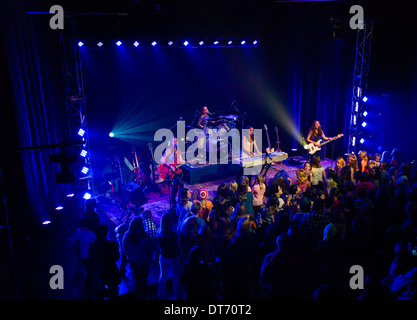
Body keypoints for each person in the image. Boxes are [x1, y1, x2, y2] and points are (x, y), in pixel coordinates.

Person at [123, 217, 156, 299]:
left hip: (132, 261)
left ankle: (138, 295)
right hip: (143, 262)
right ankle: (142, 296)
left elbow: (125, 249)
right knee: (143, 280)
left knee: (137, 278)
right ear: (141, 225)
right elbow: (151, 248)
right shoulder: (145, 236)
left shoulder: (126, 236)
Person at [88, 224, 121, 300]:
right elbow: (116, 258)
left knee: (99, 294)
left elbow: (90, 261)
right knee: (113, 293)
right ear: (106, 232)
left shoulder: (92, 245)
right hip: (111, 270)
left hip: (98, 271)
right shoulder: (112, 244)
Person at [69, 217, 96, 299]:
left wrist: (76, 247)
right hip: (89, 255)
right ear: (88, 225)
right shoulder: (90, 233)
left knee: (89, 270)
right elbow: (95, 242)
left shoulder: (78, 231)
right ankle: (88, 287)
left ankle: (88, 287)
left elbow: (71, 240)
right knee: (90, 271)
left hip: (83, 255)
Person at [156, 211, 182, 300]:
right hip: (172, 257)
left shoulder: (159, 231)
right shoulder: (173, 233)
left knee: (163, 276)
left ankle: (161, 296)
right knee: (176, 278)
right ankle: (178, 297)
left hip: (163, 257)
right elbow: (176, 247)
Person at [160, 137, 186, 206]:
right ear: (170, 143)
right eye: (173, 141)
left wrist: (188, 162)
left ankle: (173, 200)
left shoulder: (178, 151)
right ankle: (181, 199)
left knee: (175, 185)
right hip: (169, 170)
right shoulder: (169, 149)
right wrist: (169, 166)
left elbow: (180, 161)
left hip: (175, 170)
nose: (175, 142)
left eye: (176, 141)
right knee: (181, 184)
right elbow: (162, 160)